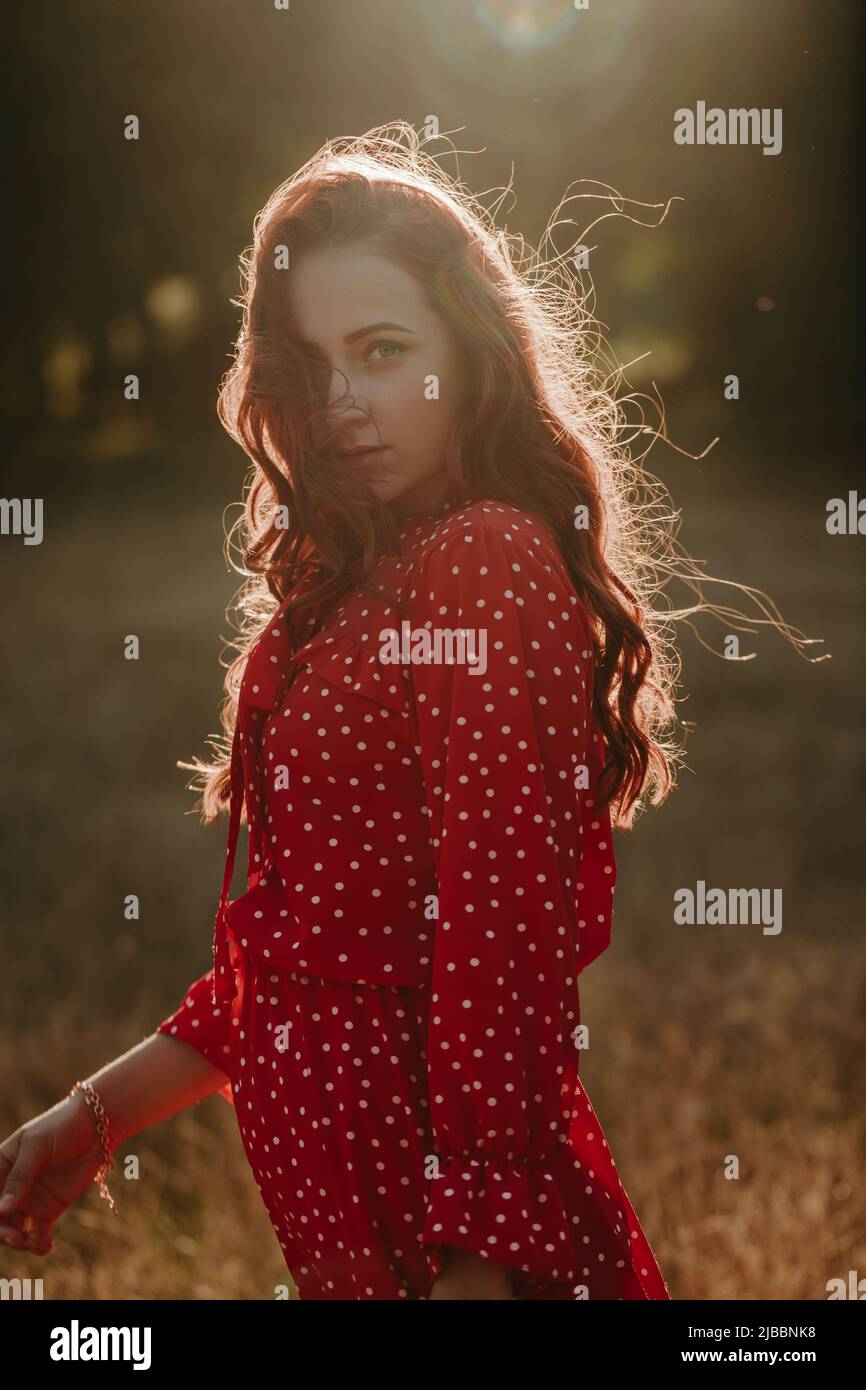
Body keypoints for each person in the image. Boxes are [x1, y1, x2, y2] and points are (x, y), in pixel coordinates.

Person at [4, 122, 779, 1300]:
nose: (343, 404)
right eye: (310, 370)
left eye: (380, 350)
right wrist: (86, 1120)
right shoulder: (340, 592)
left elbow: (503, 937)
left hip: (458, 1243)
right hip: (355, 1226)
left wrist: (479, 1266)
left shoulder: (482, 560)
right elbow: (294, 957)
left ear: (471, 352)